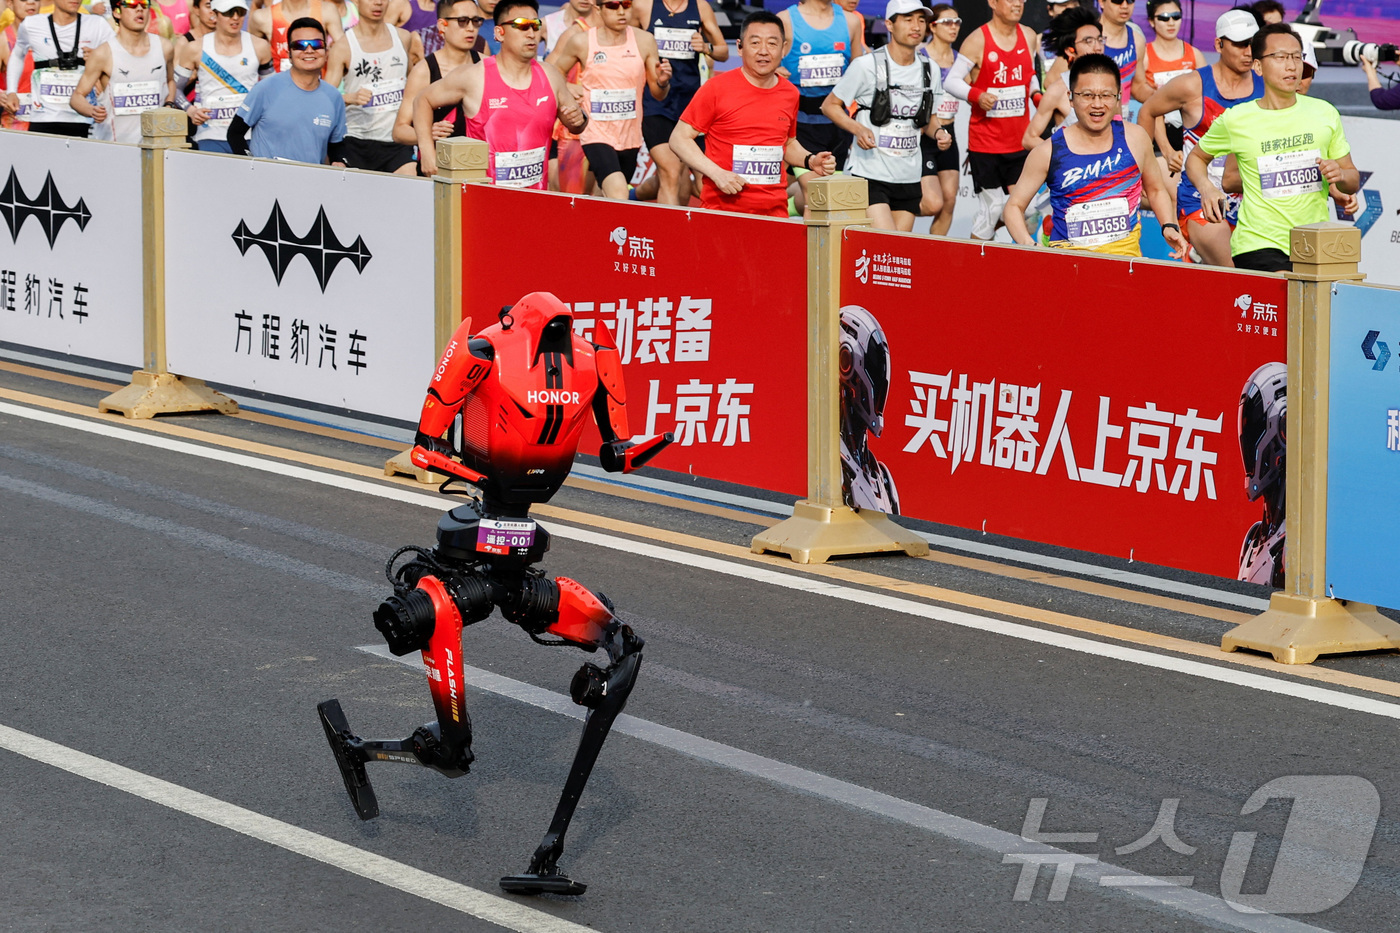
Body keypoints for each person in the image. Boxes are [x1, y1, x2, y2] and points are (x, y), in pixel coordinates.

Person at [1186, 22, 1358, 272]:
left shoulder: (1325, 113)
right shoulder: (1237, 118)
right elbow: (1196, 158)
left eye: (1297, 57)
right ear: (1257, 66)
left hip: (1314, 244)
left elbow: (1351, 179)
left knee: (1316, 308)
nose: (1291, 66)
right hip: (1257, 244)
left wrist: (1339, 176)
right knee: (1287, 291)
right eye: (1279, 57)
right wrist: (1207, 189)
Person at [1004, 52, 1186, 258]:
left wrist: (1168, 225)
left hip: (1126, 264)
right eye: (1088, 95)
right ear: (1071, 98)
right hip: (1068, 265)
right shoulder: (1048, 152)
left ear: (1118, 98)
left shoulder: (1136, 138)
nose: (1097, 104)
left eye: (1106, 95)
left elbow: (1155, 190)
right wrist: (1029, 245)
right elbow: (1013, 207)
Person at [670, 10, 836, 216]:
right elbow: (679, 139)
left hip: (774, 213)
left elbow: (787, 143)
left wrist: (810, 160)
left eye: (772, 43)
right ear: (740, 47)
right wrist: (717, 174)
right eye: (755, 43)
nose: (764, 51)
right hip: (723, 211)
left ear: (784, 49)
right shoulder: (716, 88)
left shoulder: (790, 93)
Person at [1137, 7, 1262, 266]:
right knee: (1237, 271)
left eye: (1253, 43)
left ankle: (1197, 261)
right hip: (1200, 198)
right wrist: (1148, 168)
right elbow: (1148, 111)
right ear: (1219, 44)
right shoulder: (1193, 84)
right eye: (1240, 44)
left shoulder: (1266, 85)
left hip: (1254, 200)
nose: (1248, 52)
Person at [416, 0, 585, 188]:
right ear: (499, 33)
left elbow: (576, 125)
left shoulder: (551, 75)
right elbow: (422, 100)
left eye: (535, 25)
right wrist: (427, 152)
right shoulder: (474, 77)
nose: (531, 34)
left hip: (535, 197)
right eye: (521, 26)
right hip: (483, 197)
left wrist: (580, 119)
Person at [822, 0, 945, 232]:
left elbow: (929, 120)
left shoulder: (931, 69)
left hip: (909, 175)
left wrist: (939, 132)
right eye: (907, 20)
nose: (916, 26)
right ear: (889, 24)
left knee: (896, 252)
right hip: (870, 174)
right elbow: (830, 106)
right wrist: (858, 129)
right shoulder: (866, 66)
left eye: (921, 20)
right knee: (884, 241)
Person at [547, 0, 672, 200]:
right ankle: (617, 231)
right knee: (619, 192)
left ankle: (596, 229)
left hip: (629, 135)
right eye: (613, 6)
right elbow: (553, 71)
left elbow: (658, 94)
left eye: (626, 5)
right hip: (595, 133)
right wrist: (570, 88)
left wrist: (663, 82)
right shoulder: (582, 41)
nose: (621, 12)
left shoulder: (644, 40)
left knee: (606, 195)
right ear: (599, 8)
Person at [943, 0, 1042, 240]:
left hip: (1019, 143)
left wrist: (1038, 97)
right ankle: (975, 266)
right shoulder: (978, 39)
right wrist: (976, 95)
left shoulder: (1028, 36)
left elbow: (1029, 77)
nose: (1018, 4)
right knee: (992, 209)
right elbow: (951, 80)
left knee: (1029, 212)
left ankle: (1011, 262)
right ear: (993, 3)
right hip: (986, 144)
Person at [630, 0, 728, 205]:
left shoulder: (701, 7)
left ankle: (635, 196)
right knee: (671, 172)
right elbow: (623, 41)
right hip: (656, 102)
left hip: (690, 106)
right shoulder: (644, 6)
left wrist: (706, 47)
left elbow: (723, 52)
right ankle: (668, 235)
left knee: (691, 179)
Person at [777, 0, 863, 205]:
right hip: (799, 122)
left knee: (831, 198)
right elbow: (764, 63)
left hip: (837, 125)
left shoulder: (851, 21)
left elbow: (859, 74)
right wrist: (775, 72)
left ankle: (791, 204)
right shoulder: (785, 20)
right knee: (816, 196)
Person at [229, 16, 348, 163]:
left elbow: (336, 145)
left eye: (316, 44)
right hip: (267, 182)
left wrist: (340, 161)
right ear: (289, 53)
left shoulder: (334, 97)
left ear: (326, 50)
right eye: (300, 45)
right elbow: (234, 133)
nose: (309, 50)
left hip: (310, 182)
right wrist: (251, 166)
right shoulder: (266, 88)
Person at [325, 0, 421, 172]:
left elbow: (413, 86)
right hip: (357, 141)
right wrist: (350, 98)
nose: (378, 3)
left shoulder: (403, 37)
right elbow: (324, 99)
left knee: (409, 185)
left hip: (397, 141)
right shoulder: (343, 47)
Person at [2, 0, 115, 137]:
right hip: (44, 118)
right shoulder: (32, 24)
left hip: (85, 119)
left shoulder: (97, 24)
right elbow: (18, 55)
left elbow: (120, 58)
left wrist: (100, 57)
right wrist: (12, 91)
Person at [69, 0, 175, 143]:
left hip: (156, 147)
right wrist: (91, 110)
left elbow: (170, 81)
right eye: (131, 4)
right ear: (116, 12)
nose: (139, 9)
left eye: (144, 4)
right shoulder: (103, 53)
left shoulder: (164, 47)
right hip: (116, 146)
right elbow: (77, 97)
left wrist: (169, 105)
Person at [175, 0, 270, 152]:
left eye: (240, 12)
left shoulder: (260, 46)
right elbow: (174, 88)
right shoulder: (195, 48)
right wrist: (191, 111)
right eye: (228, 12)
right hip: (210, 134)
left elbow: (271, 90)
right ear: (215, 14)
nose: (235, 18)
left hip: (250, 135)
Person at [391, 0, 479, 148]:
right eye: (462, 21)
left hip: (481, 161)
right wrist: (427, 134)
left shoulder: (486, 64)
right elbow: (399, 131)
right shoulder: (424, 71)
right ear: (442, 25)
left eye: (475, 21)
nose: (471, 28)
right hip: (437, 163)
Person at [1021, 5, 1103, 149]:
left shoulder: (1111, 83)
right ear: (1069, 50)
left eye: (1100, 39)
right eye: (1088, 41)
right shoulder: (1057, 90)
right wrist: (1062, 153)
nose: (1097, 47)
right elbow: (1029, 139)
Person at [919, 3, 960, 233]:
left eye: (957, 22)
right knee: (933, 203)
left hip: (950, 132)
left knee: (950, 201)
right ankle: (885, 207)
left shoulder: (961, 59)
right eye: (947, 22)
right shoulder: (921, 55)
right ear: (933, 27)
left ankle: (934, 255)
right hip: (924, 133)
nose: (953, 27)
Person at [250, 0, 344, 73]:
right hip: (280, 90)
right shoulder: (262, 17)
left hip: (318, 86)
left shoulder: (327, 10)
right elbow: (250, 56)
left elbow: (345, 52)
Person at [1099, 0, 1146, 120]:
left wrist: (1164, 97)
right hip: (1092, 116)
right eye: (1117, 0)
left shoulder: (1137, 39)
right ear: (1101, 2)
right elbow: (1054, 81)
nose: (1125, 6)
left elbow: (1138, 86)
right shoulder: (1086, 38)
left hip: (1122, 117)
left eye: (1130, 0)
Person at [0, 0, 40, 130]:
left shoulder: (51, 39)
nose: (31, 2)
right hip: (13, 126)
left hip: (46, 126)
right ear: (10, 4)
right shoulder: (3, 40)